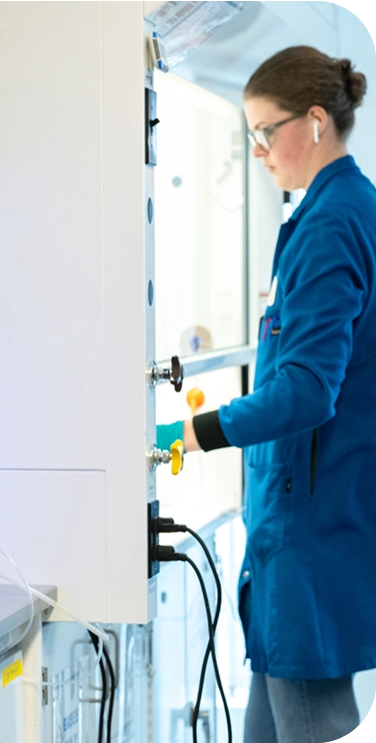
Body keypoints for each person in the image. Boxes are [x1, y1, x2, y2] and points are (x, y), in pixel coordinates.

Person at [157, 46, 376, 743]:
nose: (255, 151)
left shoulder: (331, 223)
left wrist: (193, 432)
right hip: (304, 525)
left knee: (310, 719)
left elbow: (306, 390)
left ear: (314, 122)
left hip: (311, 531)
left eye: (263, 131)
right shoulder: (337, 209)